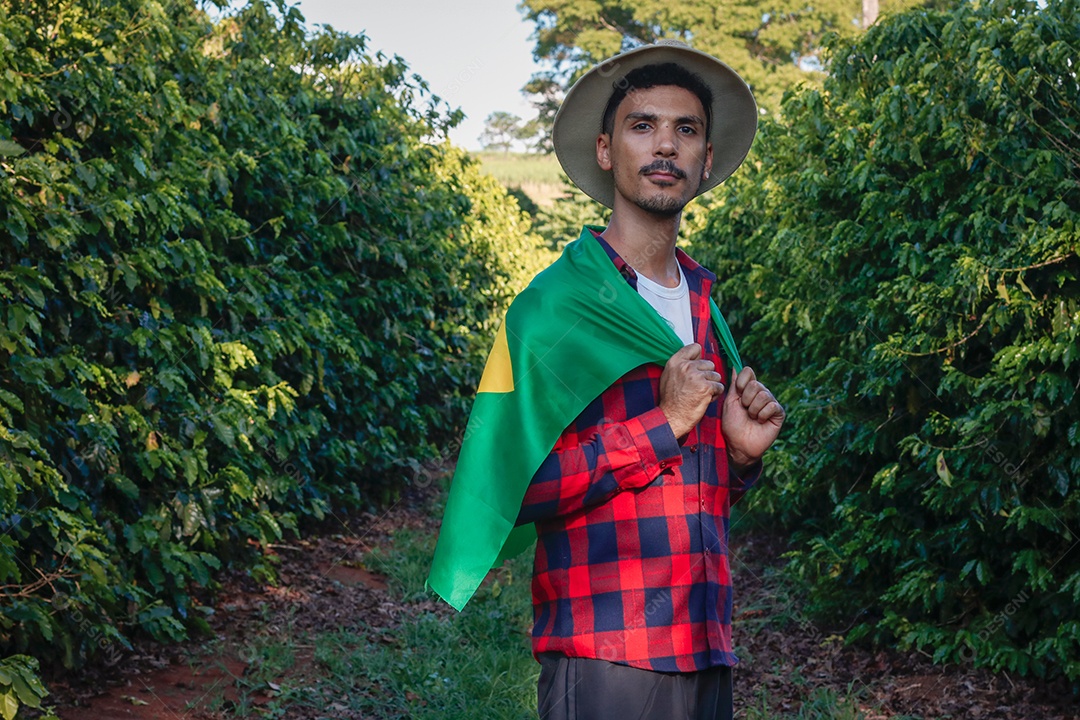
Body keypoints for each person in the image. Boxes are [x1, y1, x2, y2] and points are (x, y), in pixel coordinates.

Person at [512, 41, 786, 720]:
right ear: (606, 151)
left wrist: (740, 460)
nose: (666, 144)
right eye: (643, 126)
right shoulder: (554, 310)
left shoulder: (705, 306)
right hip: (608, 654)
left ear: (706, 161)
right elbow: (516, 486)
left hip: (705, 645)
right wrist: (663, 424)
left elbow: (690, 494)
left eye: (686, 130)